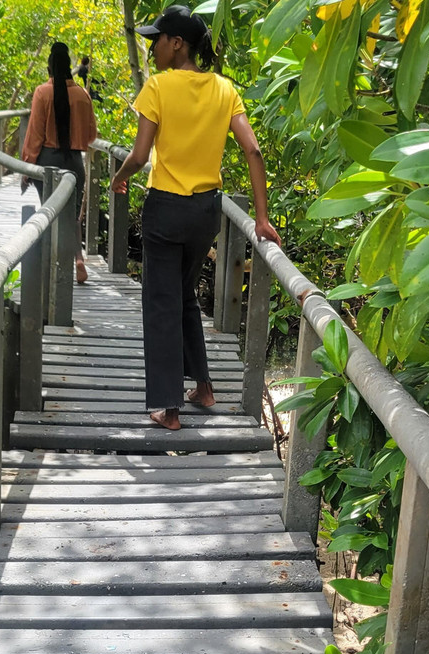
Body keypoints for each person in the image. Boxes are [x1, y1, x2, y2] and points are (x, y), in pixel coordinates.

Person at [110, 5, 281, 431]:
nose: (152, 50)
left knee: (161, 303)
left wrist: (119, 176)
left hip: (166, 209)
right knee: (184, 296)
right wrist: (261, 217)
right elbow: (253, 150)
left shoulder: (158, 87)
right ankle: (203, 388)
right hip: (206, 211)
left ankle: (167, 406)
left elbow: (141, 154)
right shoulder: (225, 89)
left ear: (177, 43)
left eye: (157, 41)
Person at [22, 42, 98, 284]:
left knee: (49, 214)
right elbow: (92, 135)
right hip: (74, 162)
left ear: (49, 69)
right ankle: (78, 258)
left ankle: (52, 268)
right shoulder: (83, 95)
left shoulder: (42, 93)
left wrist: (26, 168)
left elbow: (34, 135)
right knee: (71, 217)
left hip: (47, 162)